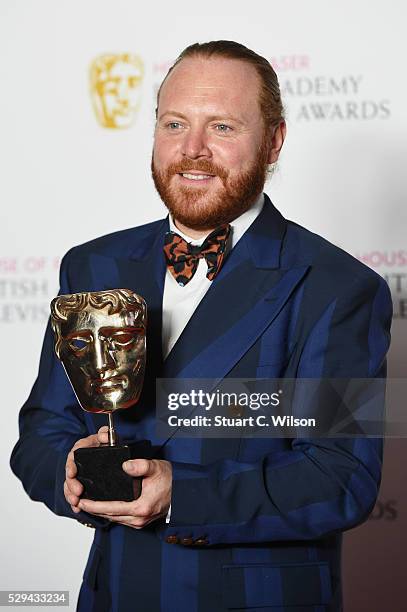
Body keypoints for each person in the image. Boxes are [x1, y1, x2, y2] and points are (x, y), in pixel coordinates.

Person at [11, 40, 392, 612]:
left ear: (274, 141)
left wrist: (179, 495)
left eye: (222, 127)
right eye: (174, 123)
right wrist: (66, 473)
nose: (192, 150)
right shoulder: (92, 266)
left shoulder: (339, 288)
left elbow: (341, 478)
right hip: (114, 594)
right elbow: (42, 432)